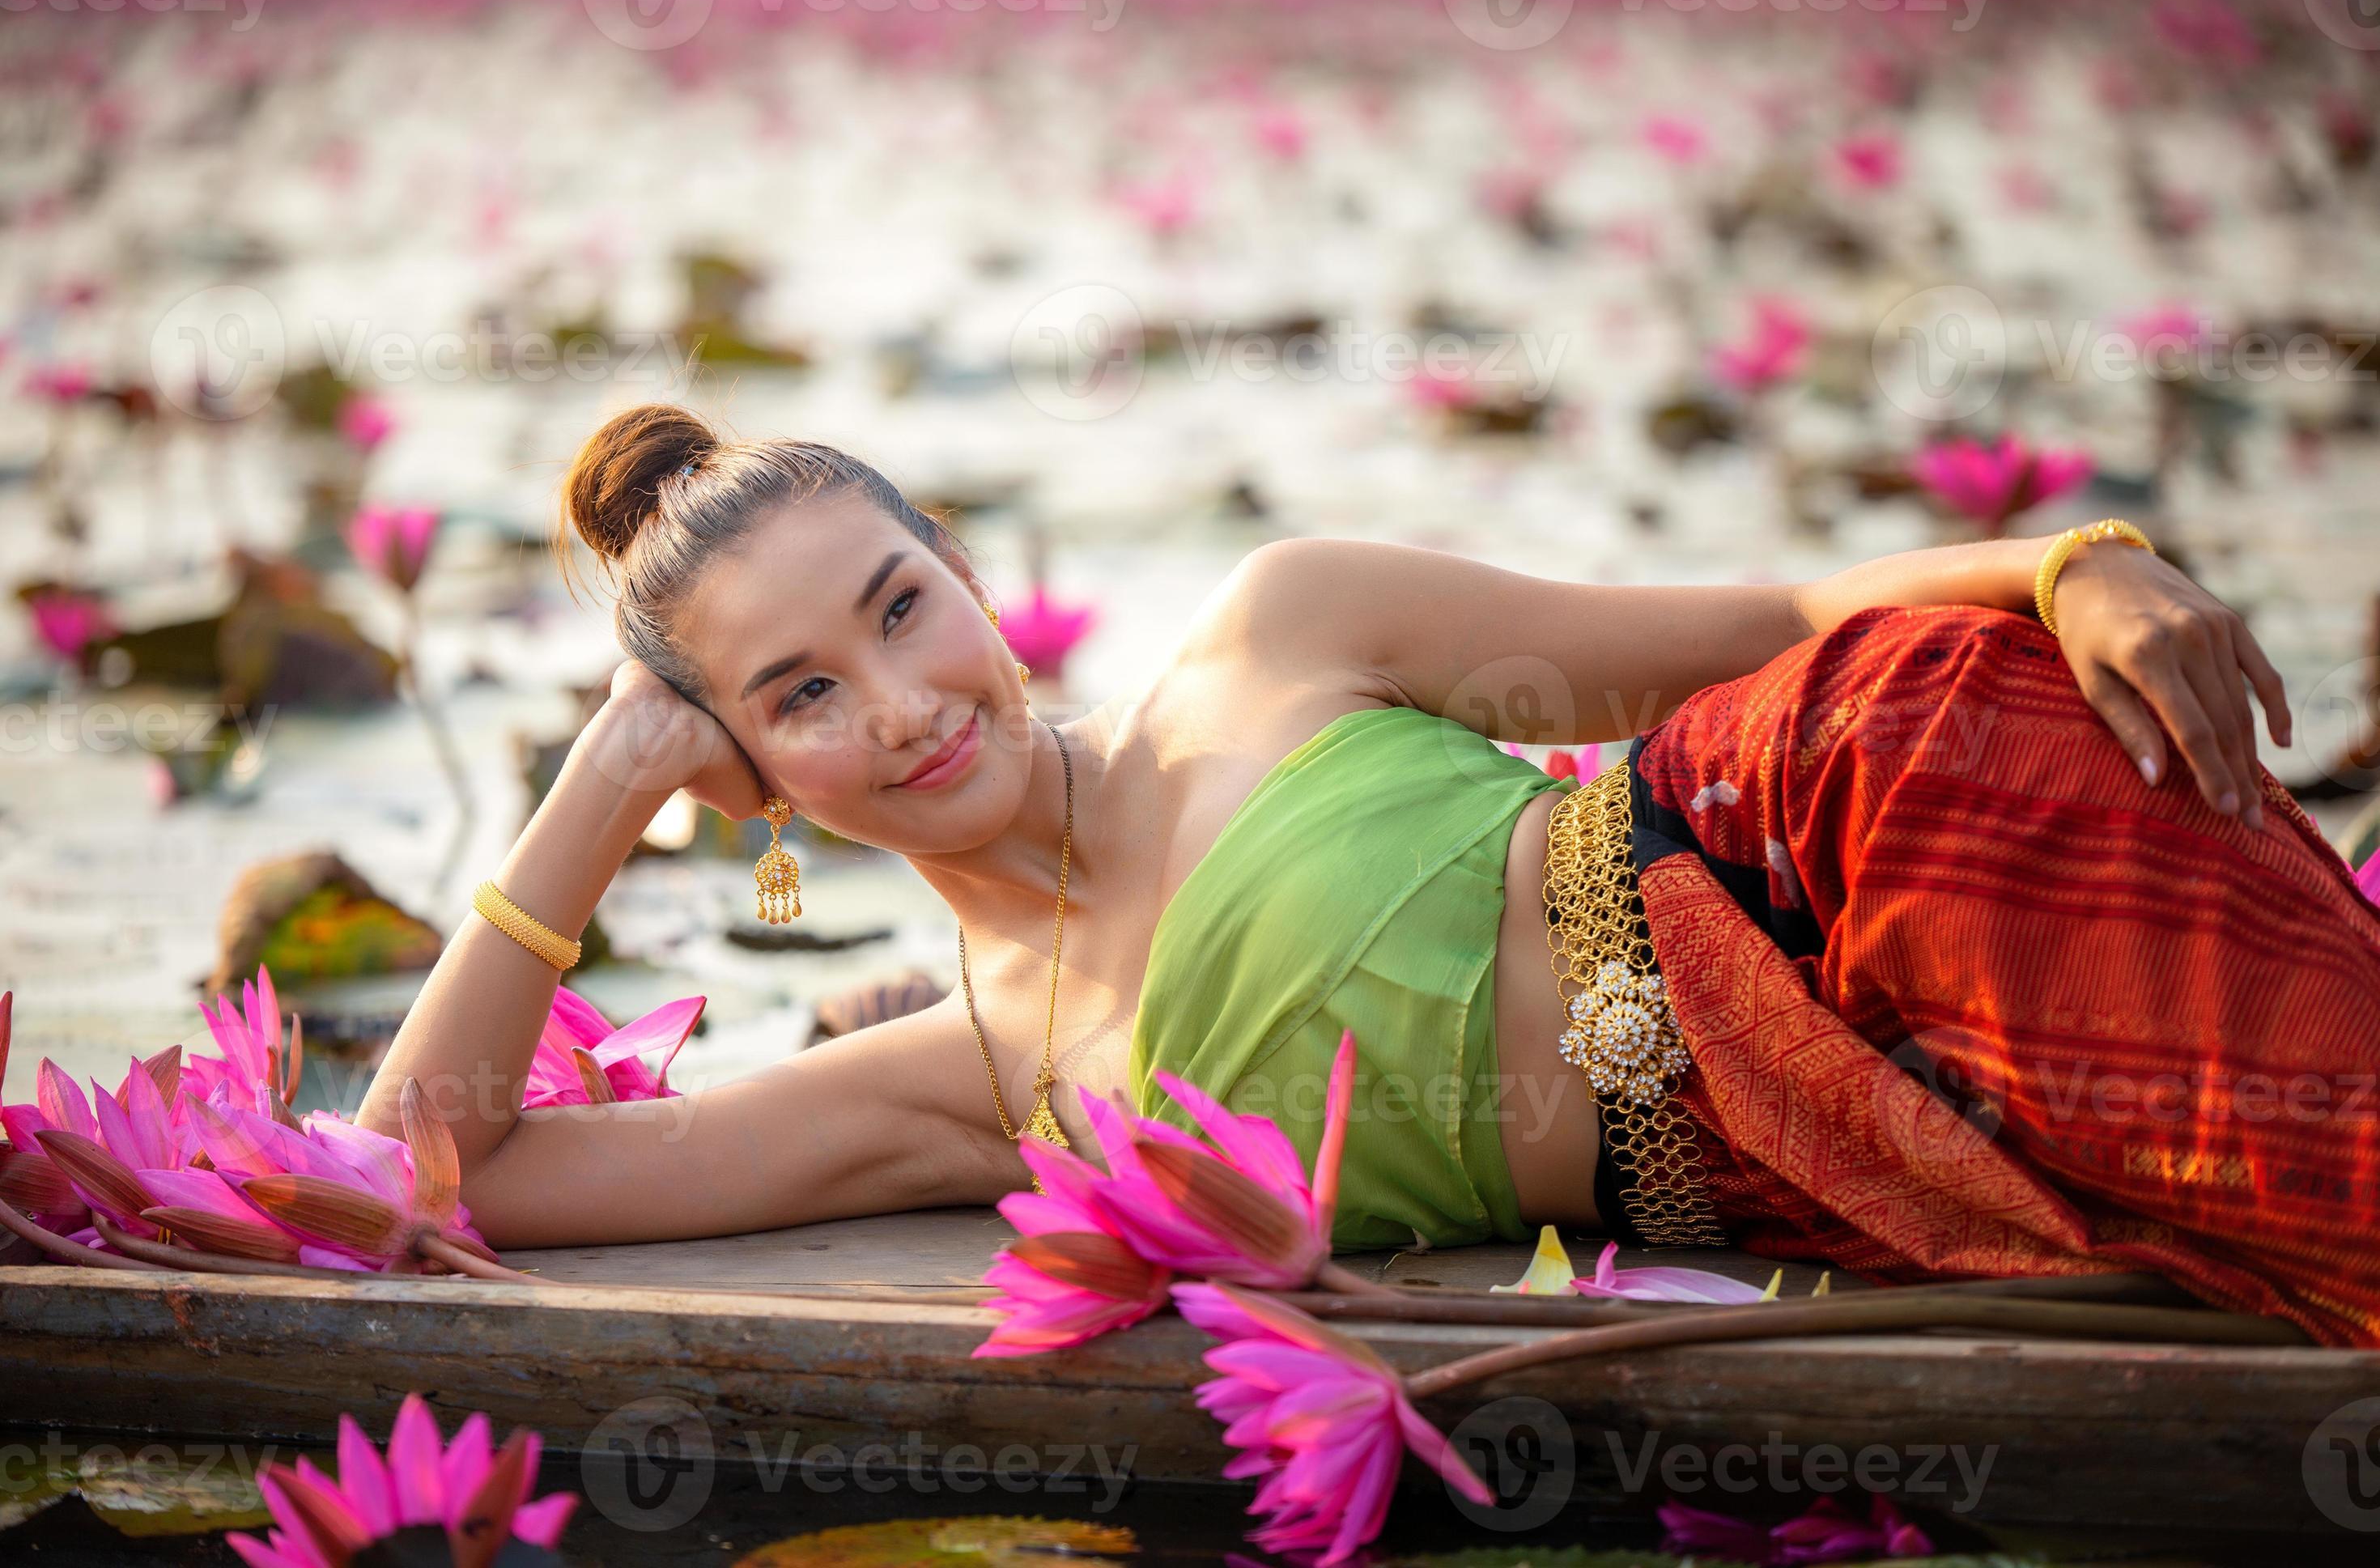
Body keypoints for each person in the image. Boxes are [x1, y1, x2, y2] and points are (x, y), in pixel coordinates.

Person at [357, 403, 2380, 1345]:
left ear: (968, 569)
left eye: (902, 607)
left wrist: (2069, 557)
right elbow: (442, 1172)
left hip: (1865, 809)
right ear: (754, 777)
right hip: (1788, 1133)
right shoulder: (975, 1079)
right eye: (798, 695)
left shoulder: (1273, 631)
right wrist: (601, 787)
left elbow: (1773, 611)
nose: (896, 702)